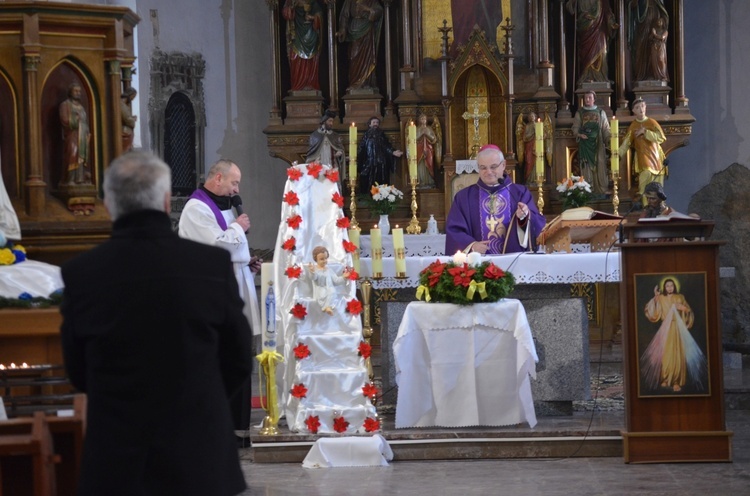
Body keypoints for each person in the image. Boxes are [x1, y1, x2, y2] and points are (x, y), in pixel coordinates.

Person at [60, 151, 253, 496]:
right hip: (200, 454)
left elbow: (77, 370)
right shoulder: (209, 265)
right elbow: (238, 357)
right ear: (166, 202)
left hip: (118, 459)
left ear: (107, 204)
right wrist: (201, 397)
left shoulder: (82, 274)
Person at [178, 158, 261, 433]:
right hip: (211, 296)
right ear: (218, 179)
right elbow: (216, 247)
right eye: (234, 182)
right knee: (221, 358)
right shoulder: (197, 208)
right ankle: (220, 427)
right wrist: (238, 227)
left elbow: (228, 250)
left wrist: (246, 261)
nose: (236, 189)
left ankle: (238, 426)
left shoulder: (219, 207)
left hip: (230, 288)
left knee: (237, 354)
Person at [445, 144, 546, 255]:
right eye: (483, 167)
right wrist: (472, 245)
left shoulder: (519, 193)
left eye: (493, 167)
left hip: (513, 262)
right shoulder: (464, 197)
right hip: (478, 265)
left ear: (503, 165)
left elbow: (537, 225)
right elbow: (454, 230)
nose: (488, 172)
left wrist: (524, 217)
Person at [641, 277, 705, 393]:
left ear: (674, 286)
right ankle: (665, 378)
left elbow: (688, 311)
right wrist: (655, 298)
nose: (669, 288)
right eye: (667, 286)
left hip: (677, 328)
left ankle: (676, 381)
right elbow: (651, 312)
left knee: (677, 354)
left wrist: (684, 309)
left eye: (671, 285)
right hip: (666, 328)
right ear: (664, 287)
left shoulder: (680, 297)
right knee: (665, 355)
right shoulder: (661, 298)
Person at [618, 98, 666, 204]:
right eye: (637, 107)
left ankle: (659, 208)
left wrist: (645, 132)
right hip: (643, 157)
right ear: (633, 111)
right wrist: (617, 154)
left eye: (643, 106)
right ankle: (646, 206)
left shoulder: (652, 122)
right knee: (645, 175)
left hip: (655, 157)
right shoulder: (633, 126)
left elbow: (661, 138)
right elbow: (626, 143)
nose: (641, 109)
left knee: (657, 185)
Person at [566, 0, 617, 84]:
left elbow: (608, 12)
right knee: (587, 55)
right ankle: (587, 76)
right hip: (585, 29)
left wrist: (612, 23)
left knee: (602, 53)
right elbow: (570, 8)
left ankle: (600, 77)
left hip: (599, 30)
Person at [336, 0, 384, 90]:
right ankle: (355, 82)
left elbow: (379, 10)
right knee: (353, 57)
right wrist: (342, 29)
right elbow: (344, 16)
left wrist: (368, 9)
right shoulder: (350, 1)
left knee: (367, 58)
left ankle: (367, 83)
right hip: (354, 30)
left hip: (367, 31)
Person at [571, 90, 611, 196]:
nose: (587, 100)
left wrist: (609, 139)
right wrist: (579, 134)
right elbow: (575, 127)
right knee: (586, 165)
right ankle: (589, 188)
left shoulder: (601, 112)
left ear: (594, 99)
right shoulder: (580, 113)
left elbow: (606, 128)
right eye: (585, 98)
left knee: (600, 164)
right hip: (585, 143)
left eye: (589, 97)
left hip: (598, 142)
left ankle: (602, 188)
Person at [282, 0, 323, 91]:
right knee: (295, 58)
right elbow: (286, 13)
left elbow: (319, 15)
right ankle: (298, 85)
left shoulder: (312, 2)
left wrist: (312, 17)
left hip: (311, 35)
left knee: (312, 59)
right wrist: (291, 8)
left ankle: (311, 84)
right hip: (297, 35)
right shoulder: (291, 1)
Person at [357, 116, 403, 194]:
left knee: (381, 180)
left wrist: (393, 152)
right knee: (366, 179)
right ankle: (367, 197)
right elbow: (361, 149)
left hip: (380, 162)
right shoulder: (366, 135)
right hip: (369, 162)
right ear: (370, 124)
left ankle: (381, 198)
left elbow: (386, 146)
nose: (376, 124)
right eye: (374, 122)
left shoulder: (381, 135)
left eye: (377, 123)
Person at [628, 0, 669, 82]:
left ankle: (655, 75)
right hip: (642, 26)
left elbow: (663, 12)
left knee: (657, 55)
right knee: (640, 49)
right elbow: (632, 6)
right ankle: (641, 75)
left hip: (654, 21)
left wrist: (660, 22)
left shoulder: (657, 3)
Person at [59, 82, 92, 186]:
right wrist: (75, 119)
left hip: (82, 135)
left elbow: (85, 121)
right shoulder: (65, 105)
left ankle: (80, 179)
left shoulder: (81, 108)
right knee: (72, 154)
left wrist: (87, 133)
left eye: (79, 91)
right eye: (76, 91)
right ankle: (69, 180)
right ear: (70, 92)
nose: (78, 93)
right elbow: (64, 120)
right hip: (72, 134)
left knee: (81, 157)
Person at [306, 245, 352, 315]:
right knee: (327, 292)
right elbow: (314, 277)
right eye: (321, 259)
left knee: (332, 291)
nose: (324, 261)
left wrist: (343, 277)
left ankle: (327, 307)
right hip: (320, 290)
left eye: (325, 258)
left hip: (330, 290)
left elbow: (336, 280)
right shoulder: (315, 270)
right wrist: (312, 272)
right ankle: (327, 307)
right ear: (316, 259)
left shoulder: (329, 270)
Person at [415, 113, 440, 188]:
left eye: (425, 119)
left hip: (429, 149)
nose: (423, 120)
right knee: (420, 164)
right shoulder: (417, 129)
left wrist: (427, 134)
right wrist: (421, 135)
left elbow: (434, 139)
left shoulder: (429, 128)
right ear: (419, 120)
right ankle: (421, 181)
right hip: (419, 149)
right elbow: (413, 139)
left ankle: (430, 181)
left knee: (429, 164)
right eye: (422, 119)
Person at [515, 111, 538, 185]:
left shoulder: (538, 125)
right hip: (528, 146)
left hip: (536, 146)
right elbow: (524, 138)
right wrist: (532, 135)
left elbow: (541, 136)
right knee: (528, 161)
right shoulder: (527, 126)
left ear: (535, 117)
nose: (531, 117)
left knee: (536, 162)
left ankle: (535, 179)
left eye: (533, 116)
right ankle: (528, 179)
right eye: (530, 116)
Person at [120, 87, 138, 152]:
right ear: (129, 95)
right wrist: (133, 120)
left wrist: (132, 118)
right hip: (123, 131)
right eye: (133, 97)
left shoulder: (124, 105)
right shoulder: (121, 105)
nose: (132, 99)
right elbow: (127, 119)